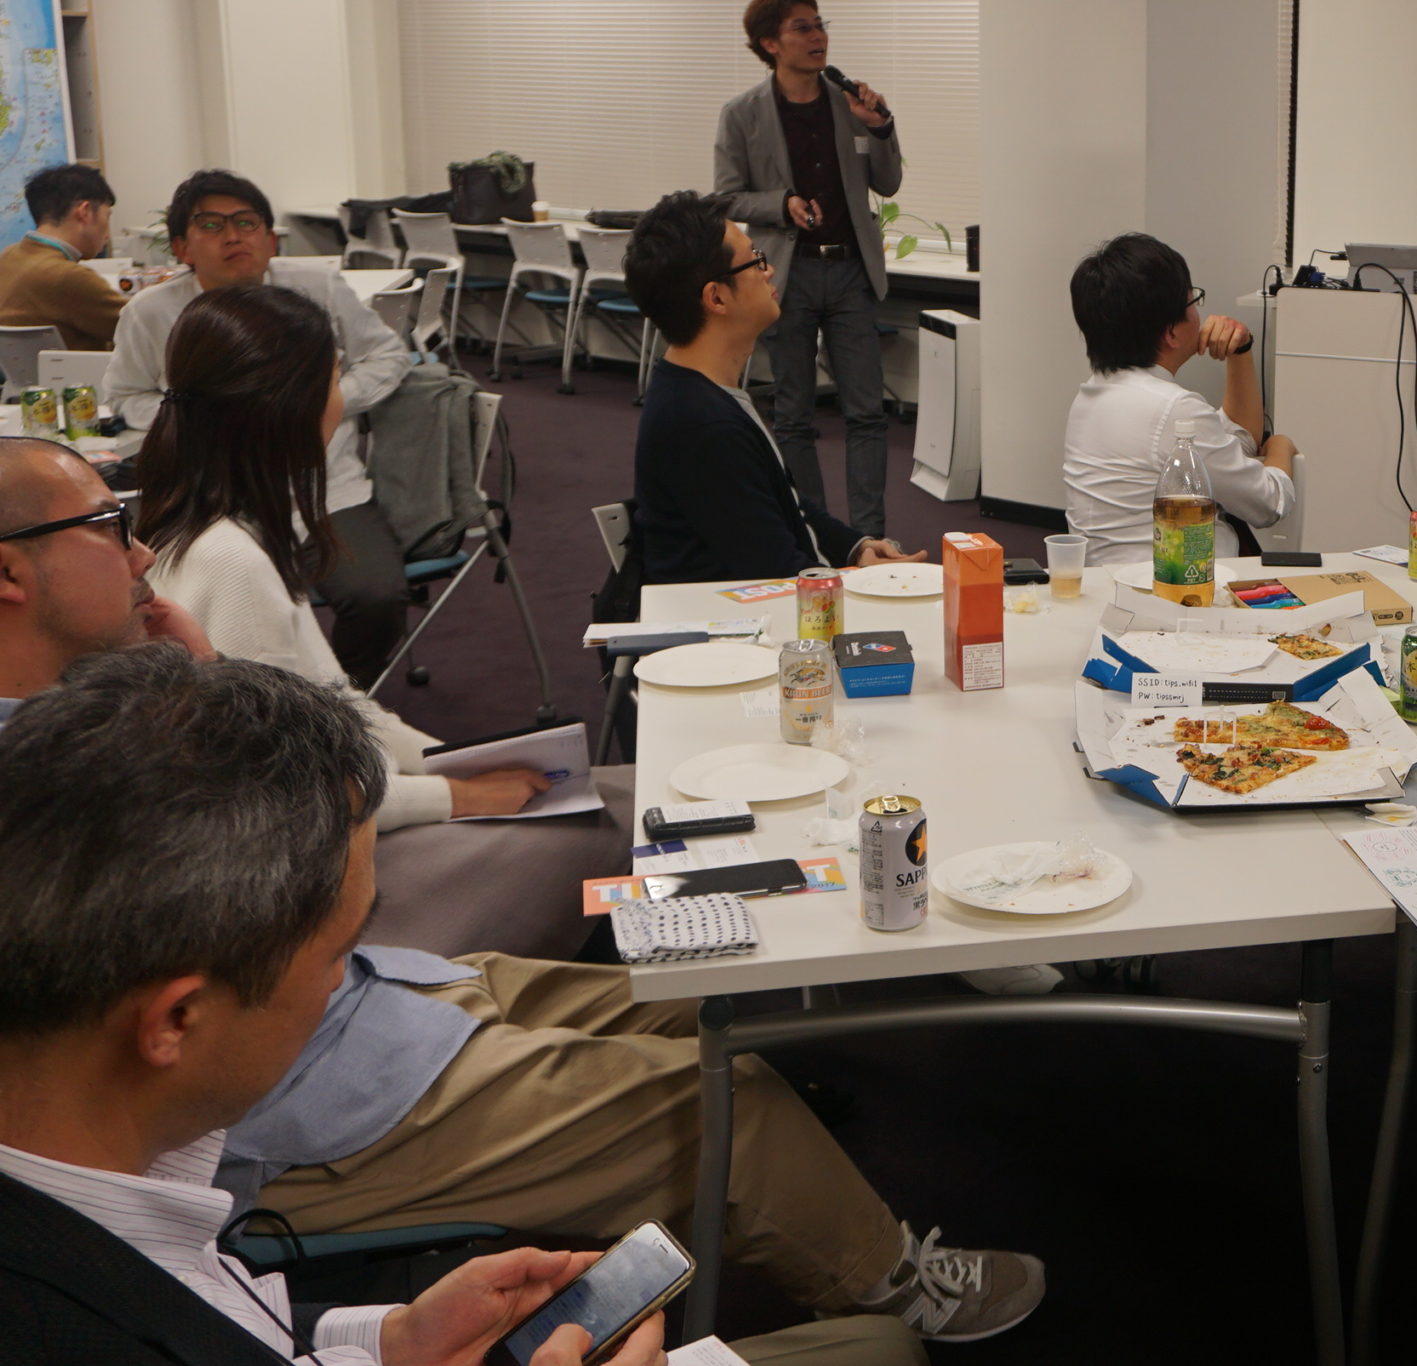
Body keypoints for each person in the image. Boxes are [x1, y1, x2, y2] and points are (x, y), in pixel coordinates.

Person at [0, 442, 1046, 1346]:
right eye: (107, 526)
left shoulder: (71, 714)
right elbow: (279, 885)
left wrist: (201, 691)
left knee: (702, 987)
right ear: (10, 572)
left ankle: (779, 1188)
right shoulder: (44, 782)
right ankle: (891, 1283)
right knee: (737, 1103)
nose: (141, 554)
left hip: (368, 996)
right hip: (310, 1096)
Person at [0, 642, 931, 1366]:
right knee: (877, 1345)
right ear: (176, 1021)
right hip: (358, 1099)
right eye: (334, 955)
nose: (341, 977)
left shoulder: (118, 1186)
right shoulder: (66, 1313)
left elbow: (235, 1320)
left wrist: (382, 1339)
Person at [136, 283, 615, 961]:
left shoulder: (218, 529)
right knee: (611, 828)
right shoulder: (232, 562)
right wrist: (457, 794)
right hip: (324, 878)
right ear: (290, 406)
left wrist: (452, 762)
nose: (343, 399)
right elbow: (295, 797)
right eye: (335, 377)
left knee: (608, 796)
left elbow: (334, 705)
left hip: (349, 826)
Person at [103, 169, 413, 687]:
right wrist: (214, 423)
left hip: (325, 490)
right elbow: (126, 396)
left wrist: (314, 405)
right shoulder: (152, 312)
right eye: (211, 224)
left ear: (272, 239)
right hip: (214, 492)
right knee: (224, 606)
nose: (233, 236)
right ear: (181, 247)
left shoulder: (317, 290)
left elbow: (389, 355)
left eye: (247, 223)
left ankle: (346, 696)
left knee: (376, 595)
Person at [624, 190, 922, 585]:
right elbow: (775, 575)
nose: (769, 271)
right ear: (716, 297)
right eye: (755, 260)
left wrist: (856, 547)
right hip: (734, 616)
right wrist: (866, 583)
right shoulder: (701, 425)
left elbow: (784, 504)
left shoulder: (707, 393)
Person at [713, 0, 905, 539]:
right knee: (794, 415)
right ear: (770, 43)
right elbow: (727, 197)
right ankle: (816, 535)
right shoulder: (742, 114)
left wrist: (880, 126)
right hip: (785, 276)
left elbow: (888, 183)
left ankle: (870, 537)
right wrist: (781, 205)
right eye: (803, 27)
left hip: (850, 273)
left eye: (820, 24)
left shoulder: (850, 104)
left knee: (866, 413)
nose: (818, 36)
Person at [1062, 233, 1297, 565]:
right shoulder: (1172, 408)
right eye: (1193, 301)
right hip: (1177, 586)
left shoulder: (1090, 397)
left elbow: (1238, 443)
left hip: (1111, 580)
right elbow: (1267, 504)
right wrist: (1281, 447)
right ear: (1171, 332)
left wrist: (1240, 350)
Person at [0, 162, 125, 349]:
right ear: (84, 212)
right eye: (107, 216)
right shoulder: (69, 277)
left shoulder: (8, 256)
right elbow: (146, 327)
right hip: (82, 368)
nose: (107, 232)